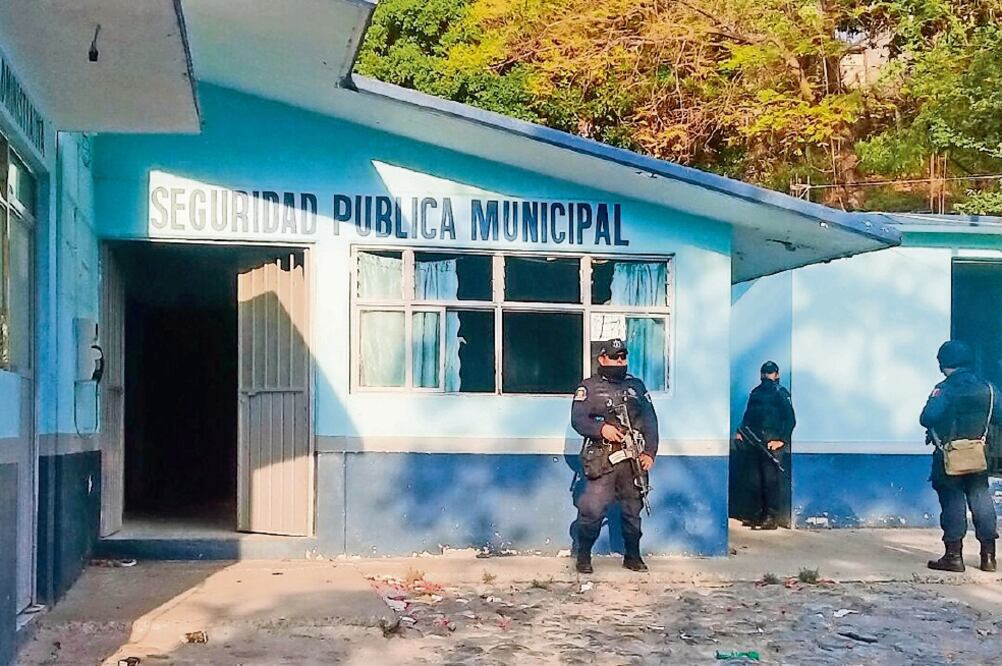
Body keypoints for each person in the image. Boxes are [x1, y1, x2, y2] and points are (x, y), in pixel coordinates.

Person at [571, 338, 659, 574]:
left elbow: (650, 421)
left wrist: (650, 452)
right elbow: (578, 419)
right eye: (614, 357)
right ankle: (583, 556)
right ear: (602, 359)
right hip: (603, 459)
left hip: (632, 460)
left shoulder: (636, 386)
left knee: (632, 512)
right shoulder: (589, 387)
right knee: (592, 510)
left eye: (623, 357)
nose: (619, 361)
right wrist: (601, 429)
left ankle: (633, 556)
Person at [920, 340, 998, 573]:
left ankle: (953, 557)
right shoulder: (989, 389)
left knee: (952, 501)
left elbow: (927, 418)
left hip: (949, 456)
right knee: (981, 499)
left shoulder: (944, 389)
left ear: (943, 364)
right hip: (978, 455)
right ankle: (988, 557)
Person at [736, 361, 796, 530]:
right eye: (764, 372)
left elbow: (790, 420)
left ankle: (771, 517)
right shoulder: (756, 393)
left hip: (772, 442)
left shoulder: (781, 393)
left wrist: (781, 440)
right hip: (754, 440)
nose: (766, 376)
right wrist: (741, 432)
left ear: (777, 375)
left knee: (770, 481)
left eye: (770, 373)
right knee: (755, 480)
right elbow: (748, 415)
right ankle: (758, 514)